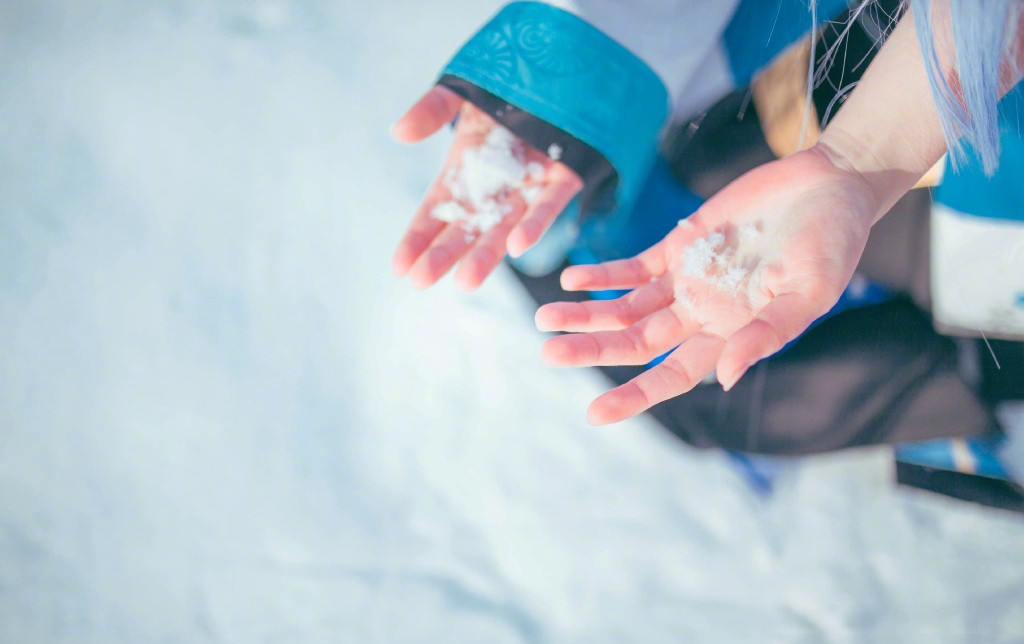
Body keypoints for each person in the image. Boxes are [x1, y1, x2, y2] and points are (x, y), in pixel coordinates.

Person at [392, 0, 1024, 508]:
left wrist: (857, 163)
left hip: (990, 220)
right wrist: (570, 72)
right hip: (838, 78)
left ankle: (973, 405)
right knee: (652, 328)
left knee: (732, 387)